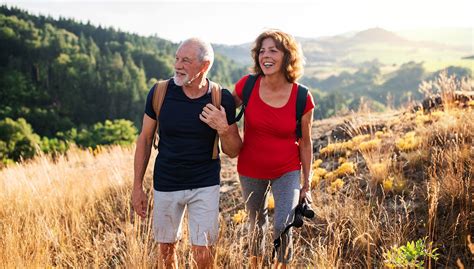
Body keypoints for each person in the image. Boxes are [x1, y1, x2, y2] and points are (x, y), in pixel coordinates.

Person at [202, 29, 315, 268]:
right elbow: (223, 108)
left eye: (274, 50)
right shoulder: (248, 86)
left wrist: (307, 183)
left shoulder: (302, 96)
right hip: (250, 168)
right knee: (256, 223)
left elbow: (305, 142)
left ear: (287, 56)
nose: (266, 55)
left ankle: (281, 264)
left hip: (287, 169)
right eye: (262, 50)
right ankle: (255, 263)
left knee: (283, 224)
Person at [132, 37, 241, 269]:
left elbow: (233, 151)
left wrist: (223, 127)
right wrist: (137, 186)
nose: (178, 65)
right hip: (166, 183)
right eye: (177, 59)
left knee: (202, 253)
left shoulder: (221, 98)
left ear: (204, 66)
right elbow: (145, 138)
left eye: (186, 60)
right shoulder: (160, 92)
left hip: (205, 184)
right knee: (166, 251)